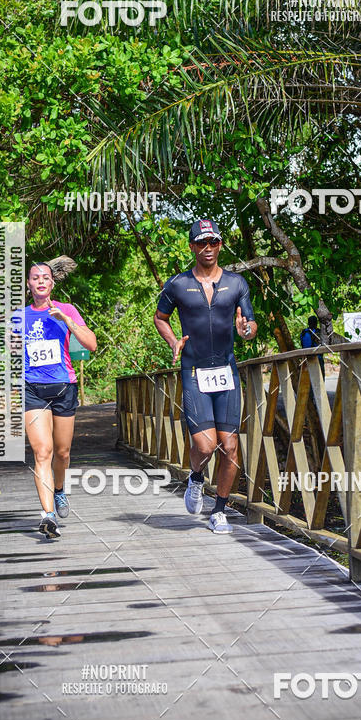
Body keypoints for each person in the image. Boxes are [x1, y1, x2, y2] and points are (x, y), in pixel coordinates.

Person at [153, 220, 257, 533]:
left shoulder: (237, 283)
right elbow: (160, 318)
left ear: (220, 245)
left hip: (226, 371)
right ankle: (196, 477)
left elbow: (250, 325)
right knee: (206, 445)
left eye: (213, 242)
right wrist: (173, 341)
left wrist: (246, 331)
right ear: (192, 247)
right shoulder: (177, 285)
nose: (208, 248)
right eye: (201, 243)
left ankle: (219, 511)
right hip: (195, 371)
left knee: (230, 447)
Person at [21, 263, 97, 538]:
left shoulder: (67, 309)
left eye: (46, 278)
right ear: (28, 284)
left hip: (64, 387)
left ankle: (60, 489)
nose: (41, 281)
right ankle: (48, 515)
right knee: (43, 452)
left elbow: (92, 344)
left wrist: (67, 321)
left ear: (53, 283)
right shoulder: (19, 316)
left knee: (62, 453)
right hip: (33, 390)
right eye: (35, 278)